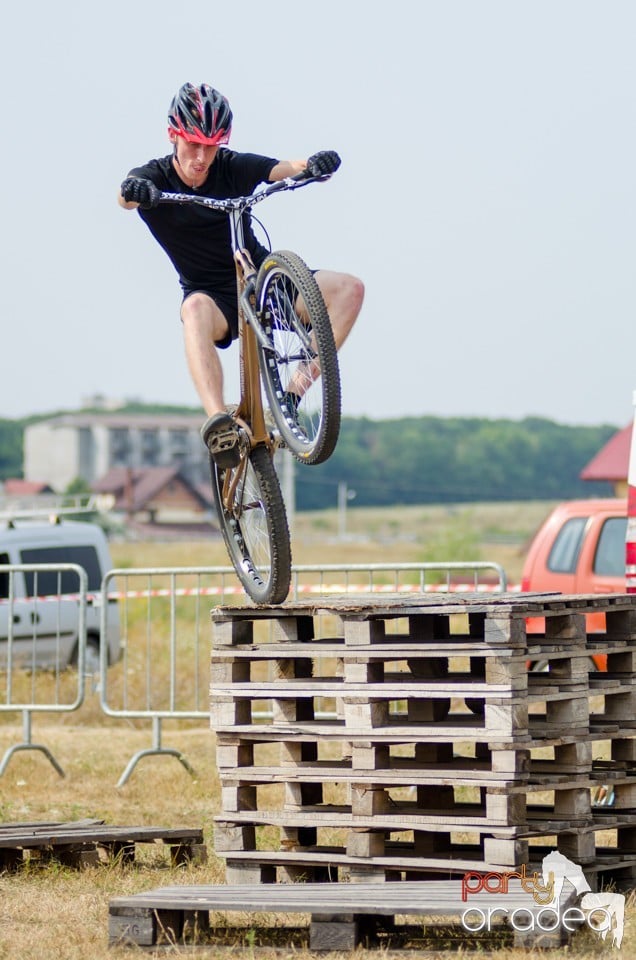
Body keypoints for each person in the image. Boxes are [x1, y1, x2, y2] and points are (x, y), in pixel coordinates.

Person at [119, 82, 364, 465]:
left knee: (350, 289)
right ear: (173, 135)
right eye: (193, 144)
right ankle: (219, 424)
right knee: (193, 310)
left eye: (212, 145)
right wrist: (135, 191)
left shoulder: (230, 166)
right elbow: (126, 196)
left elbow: (282, 167)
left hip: (261, 282)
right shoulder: (155, 177)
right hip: (213, 299)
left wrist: (314, 166)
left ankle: (290, 399)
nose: (202, 156)